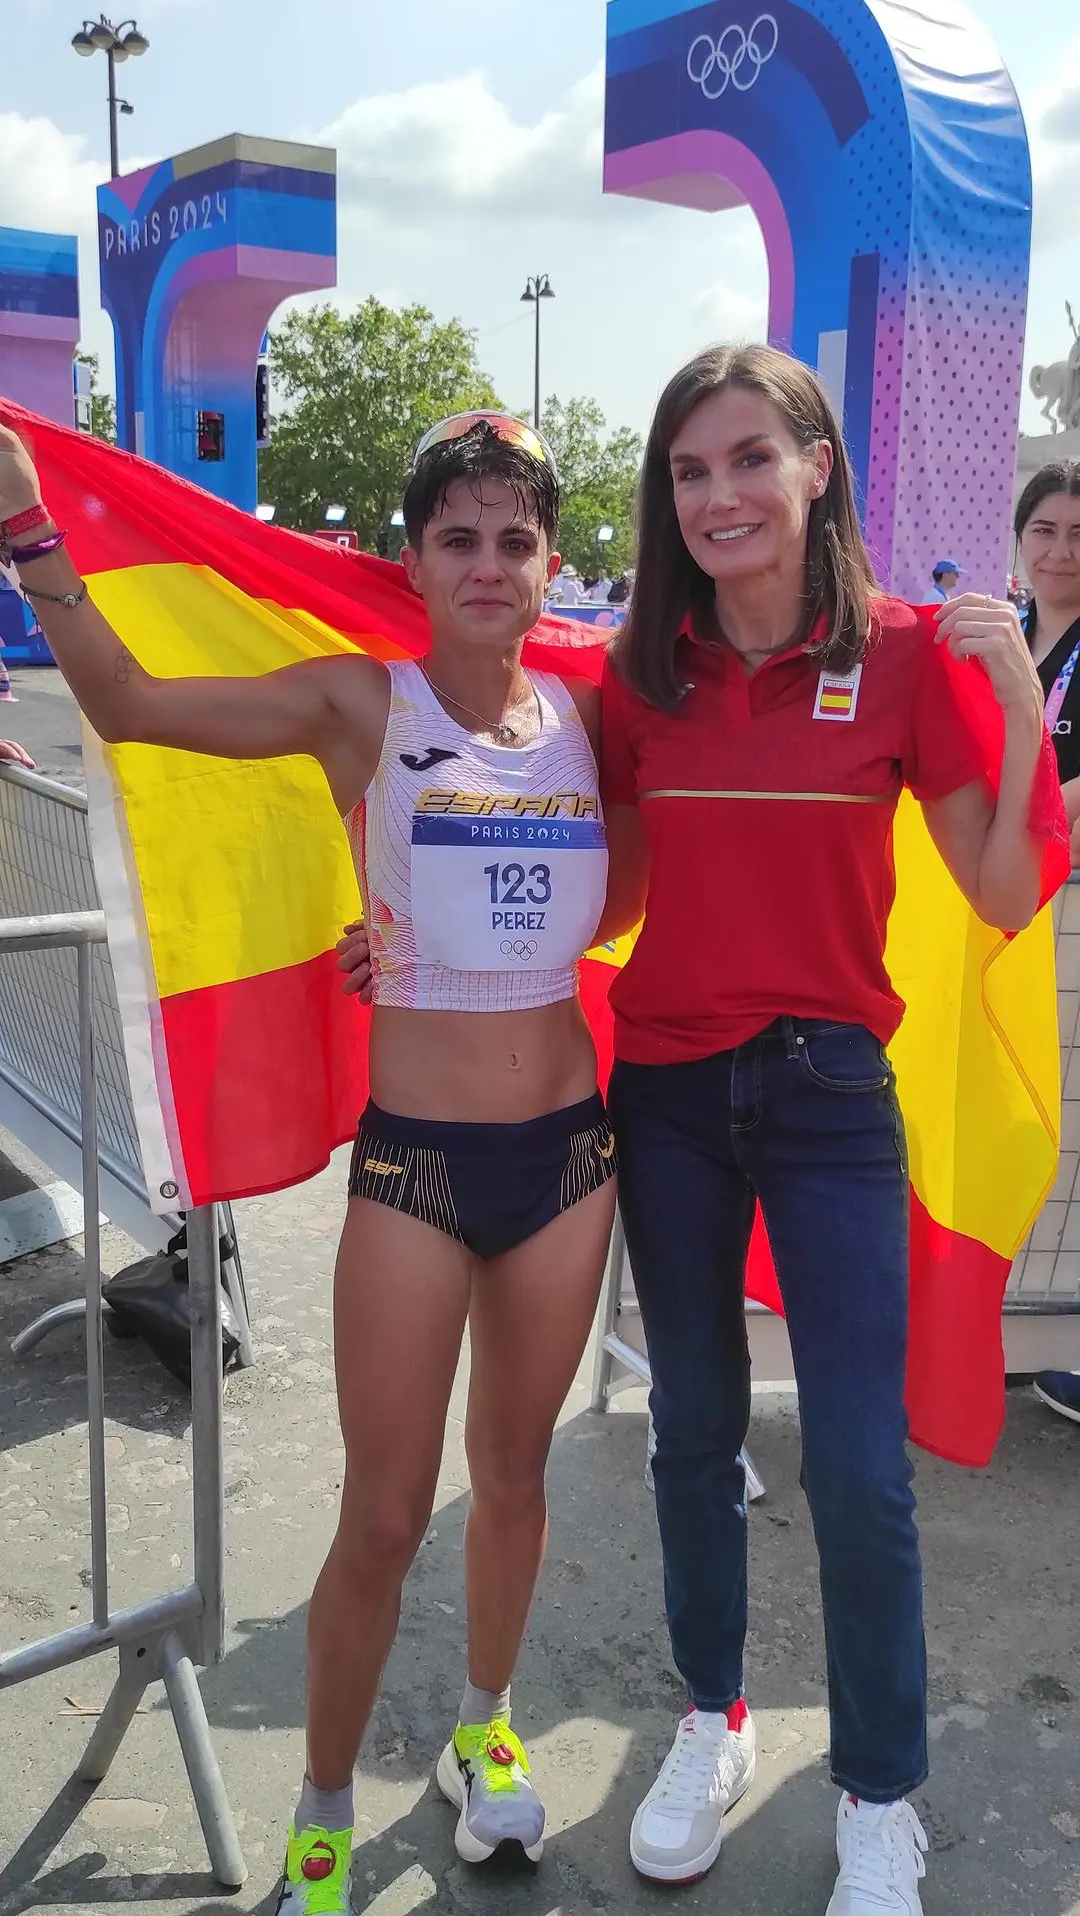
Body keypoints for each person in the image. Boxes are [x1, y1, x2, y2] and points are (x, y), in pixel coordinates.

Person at [337, 345, 1058, 1914]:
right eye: (688, 470)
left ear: (816, 470)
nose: (719, 494)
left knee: (860, 1468)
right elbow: (572, 854)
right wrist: (404, 928)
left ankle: (877, 1791)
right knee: (690, 1440)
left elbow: (1002, 893)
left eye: (748, 459)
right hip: (663, 1093)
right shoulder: (637, 681)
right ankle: (711, 1720)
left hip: (827, 1097)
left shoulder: (918, 659)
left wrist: (1020, 702)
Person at [0, 411, 623, 1912]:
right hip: (416, 1167)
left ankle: (485, 1735)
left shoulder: (601, 717)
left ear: (548, 565)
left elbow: (621, 900)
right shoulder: (366, 699)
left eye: (513, 539)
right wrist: (32, 538)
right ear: (414, 561)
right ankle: (327, 1813)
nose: (487, 563)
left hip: (568, 1158)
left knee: (517, 1477)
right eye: (457, 537)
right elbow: (136, 704)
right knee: (386, 1514)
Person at [1013, 457, 1080, 1423]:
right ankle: (1018, 1328)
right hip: (1012, 909)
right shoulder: (1004, 638)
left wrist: (1026, 839)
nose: (1063, 553)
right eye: (1045, 533)